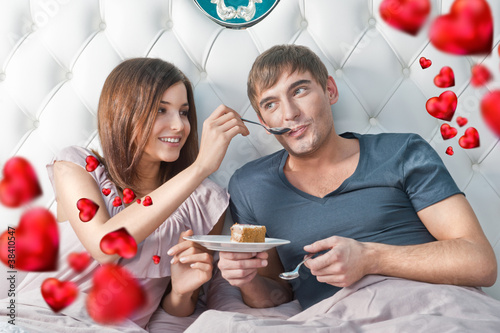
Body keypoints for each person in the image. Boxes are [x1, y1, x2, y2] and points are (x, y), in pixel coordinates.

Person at [217, 44, 498, 311]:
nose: (289, 113)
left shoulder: (402, 152)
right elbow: (279, 295)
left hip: (436, 307)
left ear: (329, 90)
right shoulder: (249, 185)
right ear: (264, 123)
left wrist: (369, 258)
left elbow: (480, 262)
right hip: (335, 320)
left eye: (299, 90)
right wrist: (247, 280)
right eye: (270, 105)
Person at [0, 58, 249, 332]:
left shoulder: (204, 202)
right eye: (160, 110)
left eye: (184, 112)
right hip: (37, 319)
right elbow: (106, 246)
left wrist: (180, 293)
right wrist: (200, 167)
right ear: (124, 114)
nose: (179, 125)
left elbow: (176, 310)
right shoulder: (79, 166)